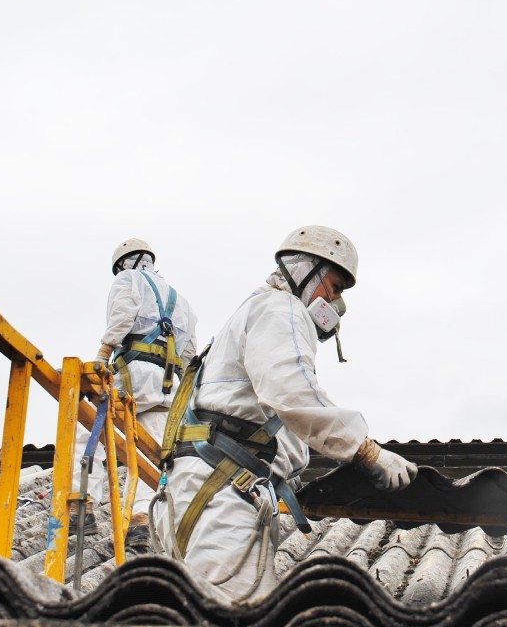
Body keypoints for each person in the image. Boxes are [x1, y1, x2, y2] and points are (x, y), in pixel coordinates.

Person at [154, 225, 417, 603]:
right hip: (222, 501)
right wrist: (365, 449)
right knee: (232, 620)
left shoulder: (257, 310)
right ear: (306, 271)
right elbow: (291, 390)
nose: (336, 302)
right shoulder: (282, 309)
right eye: (335, 287)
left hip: (204, 490)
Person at [70, 238, 198, 553]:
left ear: (123, 264)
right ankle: (141, 520)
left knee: (83, 422)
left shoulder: (128, 280)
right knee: (147, 456)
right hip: (168, 387)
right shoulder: (181, 300)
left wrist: (102, 354)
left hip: (134, 375)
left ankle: (80, 504)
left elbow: (123, 314)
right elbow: (190, 352)